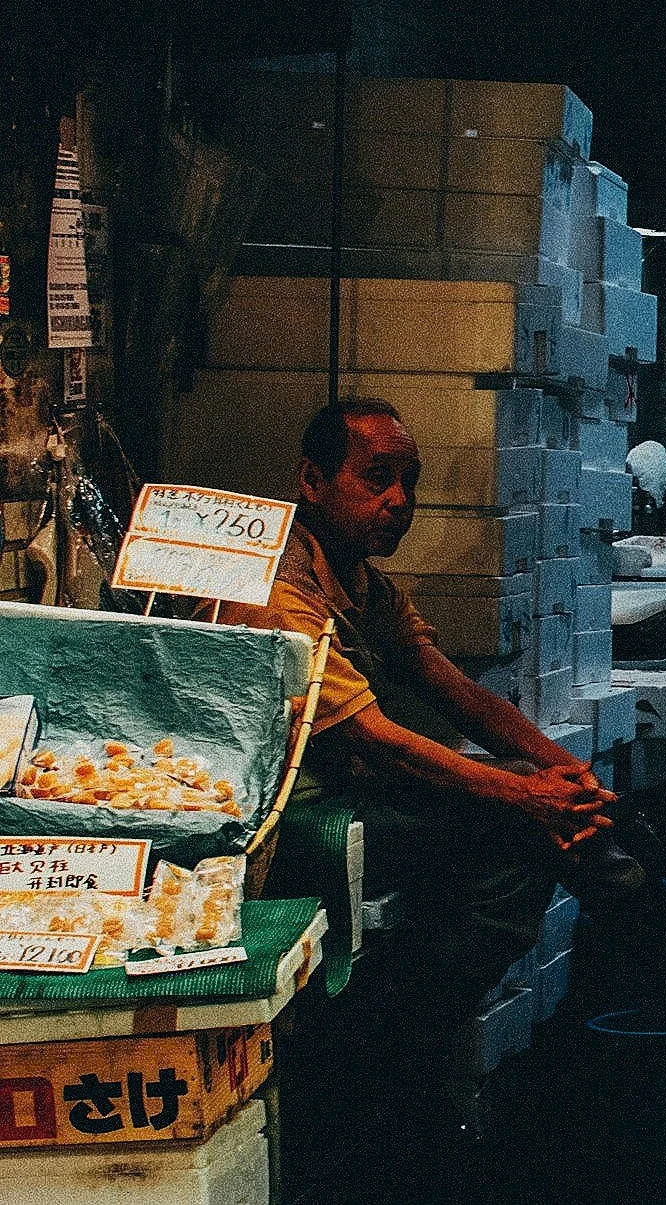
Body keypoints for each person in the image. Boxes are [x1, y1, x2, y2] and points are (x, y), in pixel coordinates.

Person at [220, 397, 644, 1074]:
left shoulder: (361, 581)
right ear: (312, 478)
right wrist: (524, 795)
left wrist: (568, 772)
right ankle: (390, 1052)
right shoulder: (277, 586)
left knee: (543, 800)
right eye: (377, 477)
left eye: (409, 482)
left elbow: (461, 694)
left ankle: (655, 930)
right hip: (286, 818)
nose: (399, 500)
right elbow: (375, 737)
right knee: (521, 829)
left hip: (351, 790)